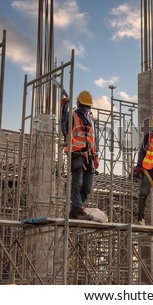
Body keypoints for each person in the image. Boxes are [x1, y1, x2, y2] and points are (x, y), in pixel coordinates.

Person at [61, 90, 99, 220]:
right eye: (84, 105)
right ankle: (78, 209)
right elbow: (64, 128)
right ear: (78, 104)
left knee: (87, 188)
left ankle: (75, 210)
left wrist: (96, 155)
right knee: (76, 185)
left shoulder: (91, 119)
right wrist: (64, 108)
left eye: (87, 106)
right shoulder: (73, 115)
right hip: (77, 154)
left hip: (90, 157)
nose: (85, 109)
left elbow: (95, 139)